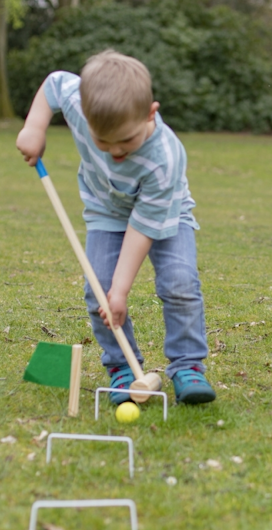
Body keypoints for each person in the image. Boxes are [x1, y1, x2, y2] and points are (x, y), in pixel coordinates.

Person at [16, 50, 216, 406]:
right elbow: (54, 84)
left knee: (179, 282)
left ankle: (188, 365)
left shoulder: (165, 158)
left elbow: (143, 228)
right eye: (102, 142)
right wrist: (34, 127)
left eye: (125, 141)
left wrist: (121, 291)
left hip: (164, 214)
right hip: (106, 210)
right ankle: (122, 366)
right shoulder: (82, 103)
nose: (114, 151)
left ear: (150, 113)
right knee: (99, 293)